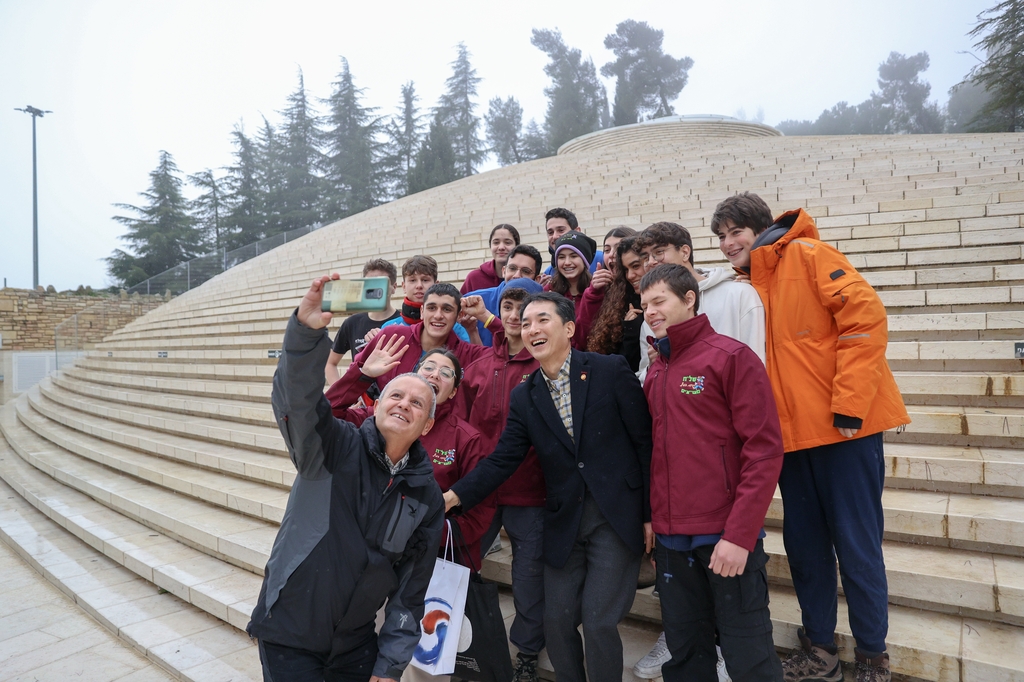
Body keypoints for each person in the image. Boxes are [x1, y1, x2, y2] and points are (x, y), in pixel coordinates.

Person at [443, 291, 653, 682]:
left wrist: (649, 516)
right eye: (526, 323)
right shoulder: (527, 395)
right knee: (555, 619)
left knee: (597, 620)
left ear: (569, 328)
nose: (532, 329)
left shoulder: (609, 370)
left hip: (614, 515)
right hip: (564, 519)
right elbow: (505, 458)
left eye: (543, 320)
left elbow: (644, 442)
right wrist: (454, 497)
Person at [248, 273, 444, 682]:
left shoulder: (426, 496)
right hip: (290, 634)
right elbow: (299, 405)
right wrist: (304, 334)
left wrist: (390, 666)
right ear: (374, 406)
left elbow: (411, 592)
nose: (404, 405)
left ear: (427, 425)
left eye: (417, 403)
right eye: (395, 395)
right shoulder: (334, 448)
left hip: (356, 647)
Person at [745, 200, 910, 682]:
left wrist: (850, 404)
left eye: (739, 231)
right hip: (791, 439)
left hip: (844, 432)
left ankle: (872, 657)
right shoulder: (747, 286)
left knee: (857, 546)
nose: (731, 242)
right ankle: (821, 649)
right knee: (805, 548)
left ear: (764, 230)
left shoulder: (810, 254)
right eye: (721, 235)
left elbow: (865, 318)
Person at [640, 263, 784, 682]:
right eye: (645, 304)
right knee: (685, 655)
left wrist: (739, 536)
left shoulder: (731, 357)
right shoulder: (657, 370)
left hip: (724, 538)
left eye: (659, 300)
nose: (650, 311)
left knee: (748, 653)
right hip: (671, 539)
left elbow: (764, 452)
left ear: (689, 298)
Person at [327, 337, 495, 571]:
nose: (435, 375)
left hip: (428, 560)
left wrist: (419, 533)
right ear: (414, 373)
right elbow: (325, 419)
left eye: (446, 373)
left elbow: (479, 513)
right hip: (364, 550)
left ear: (455, 391)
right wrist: (362, 375)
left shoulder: (466, 439)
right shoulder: (378, 417)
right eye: (428, 367)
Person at [456, 283, 545, 682]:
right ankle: (455, 642)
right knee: (460, 564)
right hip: (481, 490)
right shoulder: (477, 367)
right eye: (507, 306)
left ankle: (526, 651)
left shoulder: (545, 364)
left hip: (530, 490)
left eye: (521, 308)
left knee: (528, 576)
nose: (512, 316)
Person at [634, 222, 765, 383]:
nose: (651, 262)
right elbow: (644, 381)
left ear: (684, 252)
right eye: (645, 258)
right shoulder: (651, 316)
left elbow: (756, 369)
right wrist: (654, 365)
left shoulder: (738, 294)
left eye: (659, 252)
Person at [343, 284, 502, 395]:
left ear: (459, 315)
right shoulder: (393, 335)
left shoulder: (466, 353)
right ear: (422, 311)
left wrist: (484, 316)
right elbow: (355, 373)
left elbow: (510, 353)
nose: (438, 315)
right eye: (432, 308)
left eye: (447, 309)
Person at [325, 258, 401, 385]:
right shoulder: (352, 322)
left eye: (380, 283)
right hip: (361, 400)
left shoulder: (403, 322)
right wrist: (342, 396)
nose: (374, 288)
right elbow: (330, 363)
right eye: (369, 283)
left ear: (394, 287)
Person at [577, 235, 644, 372]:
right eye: (607, 250)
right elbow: (585, 338)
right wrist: (593, 293)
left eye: (636, 266)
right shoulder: (616, 296)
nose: (630, 275)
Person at [464, 244, 544, 346]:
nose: (517, 275)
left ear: (537, 280)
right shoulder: (473, 301)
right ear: (504, 271)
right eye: (512, 268)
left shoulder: (542, 307)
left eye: (525, 271)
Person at [381, 256, 471, 342]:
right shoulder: (388, 327)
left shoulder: (453, 327)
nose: (419, 286)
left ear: (436, 284)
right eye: (412, 280)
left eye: (425, 280)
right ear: (404, 286)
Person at [540, 207, 604, 283]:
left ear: (577, 231)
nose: (554, 236)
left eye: (561, 230)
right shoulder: (549, 273)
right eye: (550, 232)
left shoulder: (601, 259)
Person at [545, 231, 596, 318]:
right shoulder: (549, 290)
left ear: (585, 260)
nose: (567, 262)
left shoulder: (596, 290)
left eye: (573, 256)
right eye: (561, 257)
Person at [461, 224, 521, 293]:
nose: (501, 247)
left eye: (507, 242)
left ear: (517, 246)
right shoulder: (474, 278)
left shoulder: (524, 276)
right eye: (496, 242)